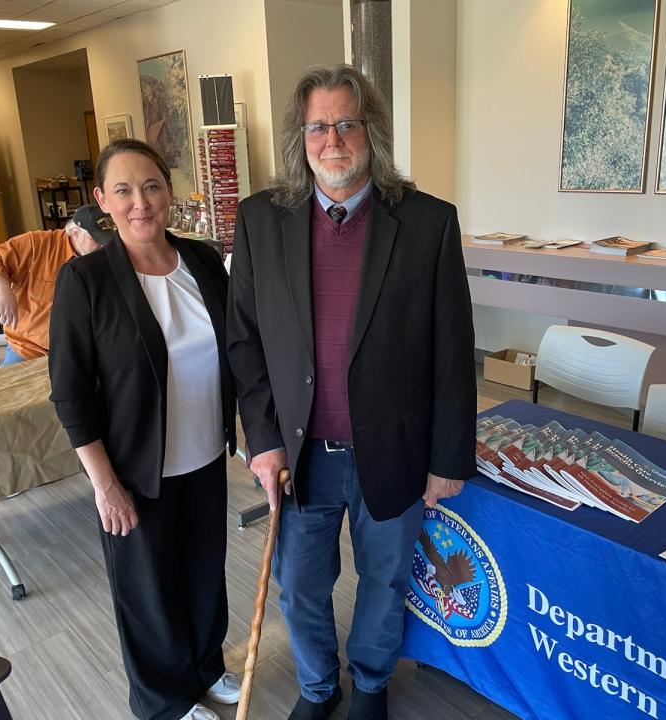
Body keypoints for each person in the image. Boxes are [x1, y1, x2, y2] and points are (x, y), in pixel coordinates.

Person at [226, 64, 476, 720]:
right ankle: (317, 688)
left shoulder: (428, 223)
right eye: (317, 125)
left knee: (386, 581)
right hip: (301, 453)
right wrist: (263, 440)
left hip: (392, 449)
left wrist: (448, 458)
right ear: (298, 135)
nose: (332, 140)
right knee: (299, 587)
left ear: (371, 133)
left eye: (346, 123)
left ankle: (369, 684)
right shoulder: (259, 221)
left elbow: (452, 350)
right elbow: (245, 344)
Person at [49, 138, 239, 720]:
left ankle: (206, 666)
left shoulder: (203, 261)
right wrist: (104, 483)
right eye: (124, 190)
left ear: (171, 193)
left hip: (204, 454)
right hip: (134, 469)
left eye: (152, 186)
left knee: (205, 571)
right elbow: (71, 392)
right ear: (102, 200)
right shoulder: (85, 281)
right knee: (148, 589)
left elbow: (238, 351)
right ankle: (164, 700)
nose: (141, 202)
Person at [0, 205, 112, 365]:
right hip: (31, 350)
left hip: (85, 351)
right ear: (75, 233)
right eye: (96, 240)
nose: (104, 247)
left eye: (107, 241)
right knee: (7, 389)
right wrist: (3, 290)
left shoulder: (107, 255)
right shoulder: (38, 245)